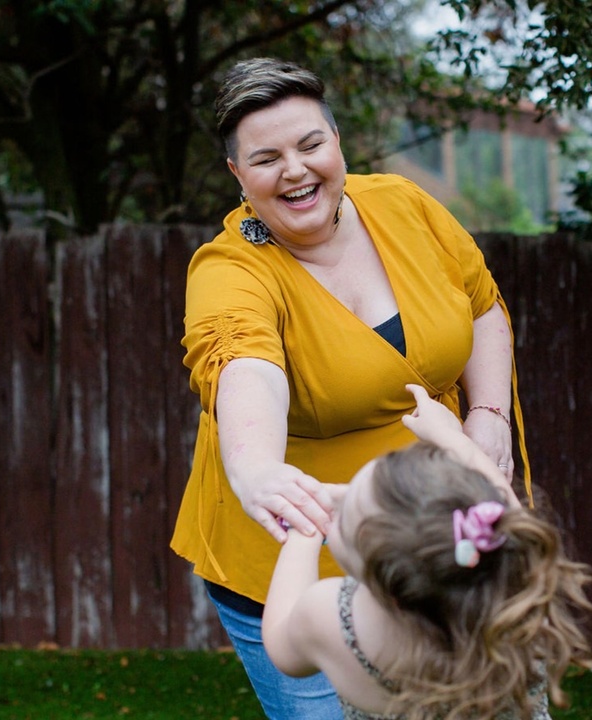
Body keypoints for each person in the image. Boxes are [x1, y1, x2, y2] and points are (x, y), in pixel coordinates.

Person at [171, 56, 529, 719]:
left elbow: (481, 307)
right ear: (237, 176)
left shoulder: (405, 204)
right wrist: (258, 474)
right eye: (267, 157)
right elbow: (244, 363)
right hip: (300, 563)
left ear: (338, 142)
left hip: (436, 546)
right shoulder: (229, 270)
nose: (296, 169)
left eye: (311, 144)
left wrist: (487, 415)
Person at [263, 384, 592, 719]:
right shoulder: (517, 593)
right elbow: (498, 503)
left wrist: (302, 533)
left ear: (385, 578)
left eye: (345, 516)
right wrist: (451, 436)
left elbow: (280, 644)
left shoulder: (329, 618)